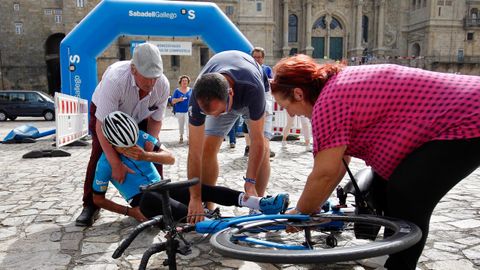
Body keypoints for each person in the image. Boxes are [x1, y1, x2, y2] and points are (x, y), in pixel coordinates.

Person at [270, 54, 480, 270]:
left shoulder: (329, 101)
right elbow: (340, 162)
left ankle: (398, 266)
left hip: (470, 117)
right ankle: (387, 254)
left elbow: (326, 173)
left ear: (298, 93)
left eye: (285, 106)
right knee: (383, 183)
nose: (290, 114)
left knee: (408, 192)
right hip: (466, 107)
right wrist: (308, 208)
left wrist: (301, 212)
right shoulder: (335, 87)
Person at [92, 111, 290, 222]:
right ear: (112, 144)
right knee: (151, 199)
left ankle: (258, 203)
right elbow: (97, 199)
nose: (131, 147)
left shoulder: (141, 137)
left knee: (197, 188)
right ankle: (206, 221)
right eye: (124, 147)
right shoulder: (104, 164)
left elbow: (170, 158)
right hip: (142, 199)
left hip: (162, 187)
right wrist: (130, 212)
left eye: (133, 142)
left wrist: (146, 155)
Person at [75, 43, 170, 227]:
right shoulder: (115, 80)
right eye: (147, 78)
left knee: (154, 156)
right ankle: (90, 205)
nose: (151, 84)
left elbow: (156, 120)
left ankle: (158, 201)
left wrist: (149, 149)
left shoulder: (162, 84)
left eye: (155, 77)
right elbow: (102, 128)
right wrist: (116, 163)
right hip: (107, 118)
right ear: (133, 69)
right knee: (99, 156)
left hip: (140, 117)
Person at [187, 50, 272, 224]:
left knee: (263, 145)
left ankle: (257, 203)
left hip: (251, 90)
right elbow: (194, 152)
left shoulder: (253, 88)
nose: (217, 117)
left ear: (230, 94)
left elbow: (256, 142)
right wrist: (195, 197)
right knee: (206, 148)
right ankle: (208, 205)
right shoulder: (197, 97)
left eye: (220, 112)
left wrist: (249, 182)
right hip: (219, 94)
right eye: (211, 114)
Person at [244, 47, 275, 158]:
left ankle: (266, 150)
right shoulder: (246, 70)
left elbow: (271, 85)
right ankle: (253, 150)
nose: (256, 59)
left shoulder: (266, 70)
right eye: (254, 57)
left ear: (263, 58)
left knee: (265, 131)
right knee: (253, 132)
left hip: (265, 104)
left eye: (259, 57)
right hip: (250, 106)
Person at [171, 75, 192, 143]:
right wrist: (179, 99)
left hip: (188, 111)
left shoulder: (191, 90)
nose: (184, 82)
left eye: (186, 81)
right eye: (183, 81)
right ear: (180, 82)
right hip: (179, 111)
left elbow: (194, 100)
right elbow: (173, 101)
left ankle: (189, 138)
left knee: (188, 125)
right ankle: (181, 136)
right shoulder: (177, 91)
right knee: (181, 125)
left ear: (188, 82)